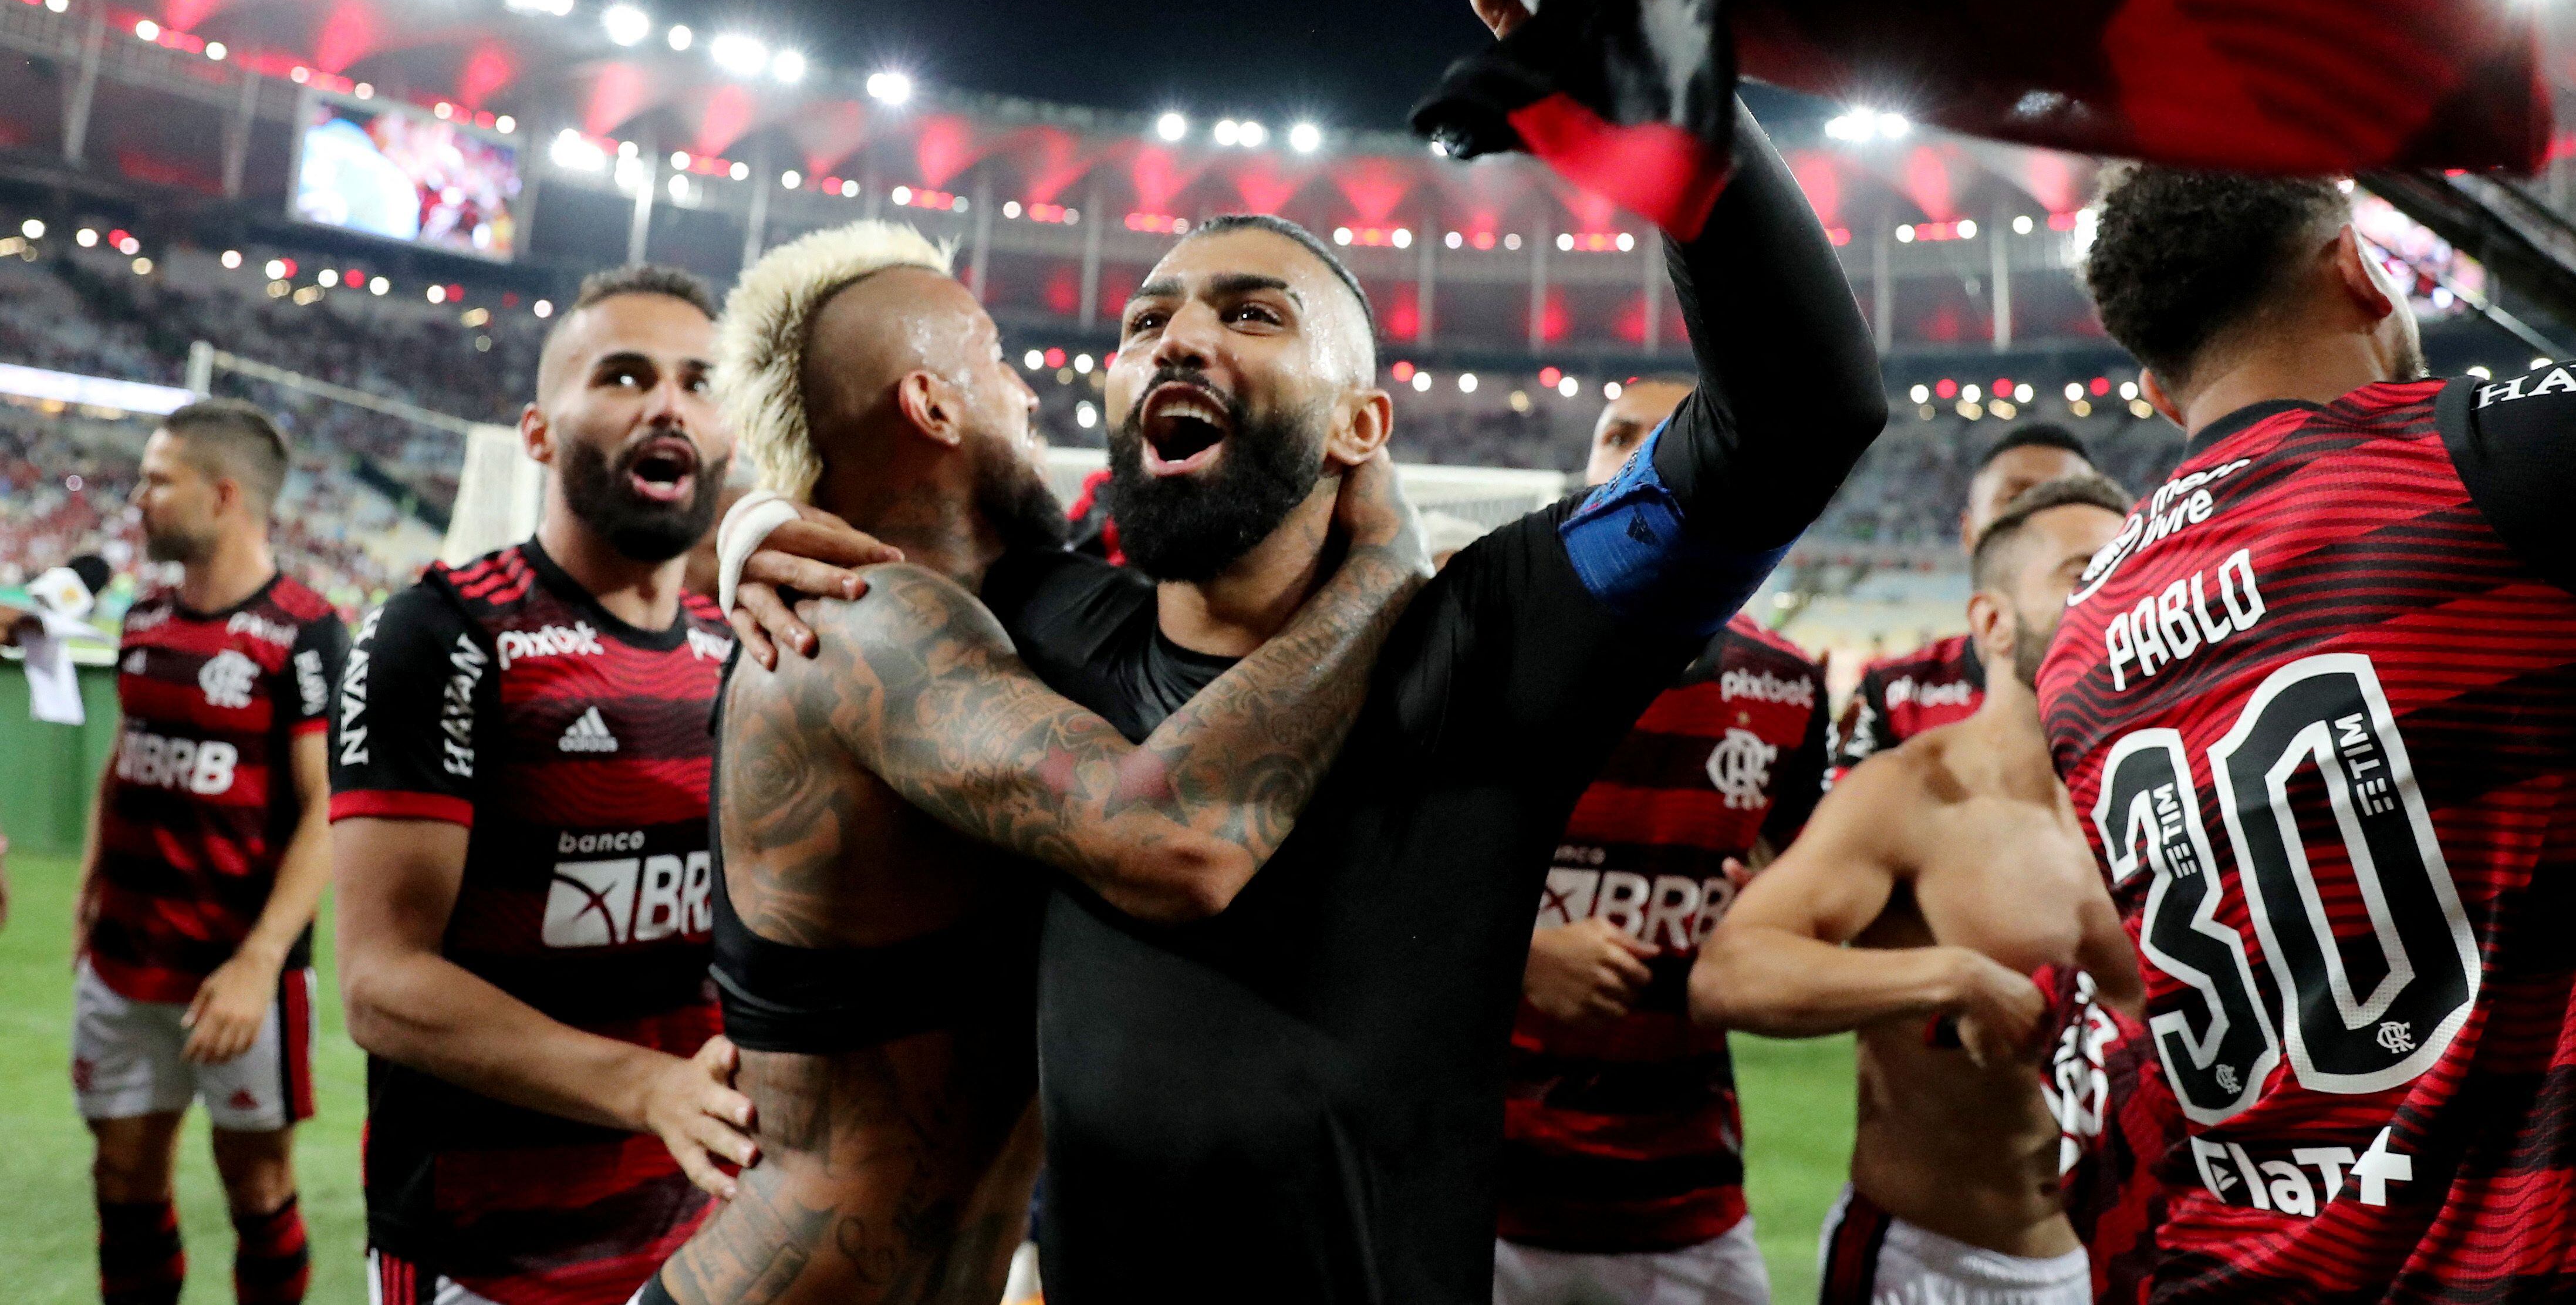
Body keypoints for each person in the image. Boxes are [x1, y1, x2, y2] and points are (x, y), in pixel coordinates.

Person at [727, 112, 1884, 1297]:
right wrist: (751, 520)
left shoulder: (1493, 639)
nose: (1177, 338)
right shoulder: (1039, 621)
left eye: (1250, 313)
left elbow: (1804, 414)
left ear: (1358, 424)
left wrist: (1665, 113)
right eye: (1146, 321)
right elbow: (888, 481)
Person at [642, 222, 1430, 1305]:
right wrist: (1387, 567)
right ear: (932, 404)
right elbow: (1175, 842)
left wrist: (747, 520)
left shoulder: (996, 619)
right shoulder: (864, 620)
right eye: (1002, 369)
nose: (1030, 400)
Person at [2043, 167, 2576, 1302]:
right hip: (2500, 1260)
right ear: (2356, 268)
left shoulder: (2076, 641)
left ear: (2154, 389)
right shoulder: (2476, 460)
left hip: (2244, 1259)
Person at [329, 264, 752, 1305]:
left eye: (700, 382)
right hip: (487, 1259)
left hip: (698, 1241)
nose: (666, 403)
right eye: (620, 375)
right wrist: (649, 1087)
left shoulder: (741, 651)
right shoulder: (443, 632)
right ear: (537, 434)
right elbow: (383, 985)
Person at [1693, 475, 2146, 1305]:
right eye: (2085, 568)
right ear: (1991, 621)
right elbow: (1729, 973)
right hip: (1928, 1265)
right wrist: (1955, 976)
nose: (2119, 585)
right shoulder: (1909, 795)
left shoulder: (2169, 797)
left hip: (2112, 1257)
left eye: (2133, 561)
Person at [1495, 377, 1832, 1305]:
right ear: (1587, 473)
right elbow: (1358, 886)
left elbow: (1812, 899)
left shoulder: (1787, 689)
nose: (1644, 455)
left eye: (1677, 435)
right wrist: (1518, 953)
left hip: (1681, 1206)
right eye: (1618, 436)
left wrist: (1774, 921)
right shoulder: (1482, 656)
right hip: (1475, 1200)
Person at [73, 400, 347, 1305]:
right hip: (123, 963)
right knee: (121, 1180)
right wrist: (87, 902)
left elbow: (327, 808)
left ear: (224, 494)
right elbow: (124, 765)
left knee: (259, 1188)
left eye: (158, 479)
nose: (138, 496)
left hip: (235, 977)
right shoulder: (144, 616)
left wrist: (259, 961)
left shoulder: (305, 630)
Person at [1831, 426, 2095, 777]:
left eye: (2063, 504)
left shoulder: (2148, 691)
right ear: (1969, 532)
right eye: (2016, 499)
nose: (2038, 521)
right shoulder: (1893, 693)